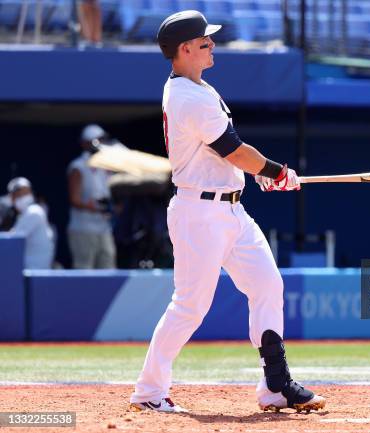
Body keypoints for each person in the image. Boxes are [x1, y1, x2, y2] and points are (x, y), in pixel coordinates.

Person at [129, 10, 325, 414]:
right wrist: (276, 172)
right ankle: (149, 391)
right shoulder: (188, 95)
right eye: (204, 42)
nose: (212, 45)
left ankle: (275, 385)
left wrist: (257, 176)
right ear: (184, 49)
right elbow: (233, 150)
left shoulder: (200, 89)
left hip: (231, 210)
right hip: (199, 213)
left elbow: (226, 155)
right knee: (190, 306)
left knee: (268, 285)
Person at [67, 124, 116, 269]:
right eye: (97, 140)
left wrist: (113, 207)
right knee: (84, 271)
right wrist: (97, 208)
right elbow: (74, 200)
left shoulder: (108, 165)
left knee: (109, 269)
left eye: (103, 139)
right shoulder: (78, 167)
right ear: (85, 143)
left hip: (104, 229)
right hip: (83, 230)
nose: (101, 143)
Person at [6, 177, 54, 269]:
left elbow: (11, 242)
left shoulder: (34, 212)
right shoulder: (24, 215)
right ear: (11, 198)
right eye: (18, 194)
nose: (23, 196)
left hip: (34, 272)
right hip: (27, 270)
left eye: (26, 193)